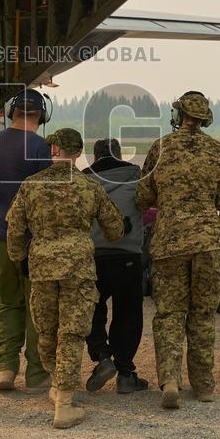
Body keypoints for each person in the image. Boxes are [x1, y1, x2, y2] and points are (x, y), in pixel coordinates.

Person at [7, 128, 124, 429]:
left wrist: (19, 256)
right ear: (78, 153)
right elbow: (114, 230)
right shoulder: (90, 186)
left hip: (43, 267)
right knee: (71, 334)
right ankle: (65, 401)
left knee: (47, 331)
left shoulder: (31, 185)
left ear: (54, 150)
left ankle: (57, 385)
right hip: (78, 269)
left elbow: (15, 230)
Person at [136, 91, 220, 409]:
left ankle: (170, 381)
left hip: (169, 243)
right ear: (206, 118)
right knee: (203, 315)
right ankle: (204, 384)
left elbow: (143, 195)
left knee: (169, 314)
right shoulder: (218, 151)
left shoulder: (160, 147)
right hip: (207, 244)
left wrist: (167, 199)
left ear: (178, 115)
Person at [0, 89, 52, 392]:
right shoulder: (39, 147)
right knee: (37, 308)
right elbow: (48, 199)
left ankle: (5, 369)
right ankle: (37, 374)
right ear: (42, 116)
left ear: (12, 112)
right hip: (30, 244)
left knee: (7, 305)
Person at [81, 138, 149, 394]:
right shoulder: (136, 177)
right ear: (120, 155)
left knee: (92, 309)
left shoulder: (84, 181)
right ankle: (125, 374)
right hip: (127, 256)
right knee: (128, 313)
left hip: (93, 256)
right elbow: (148, 205)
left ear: (95, 157)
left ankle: (102, 356)